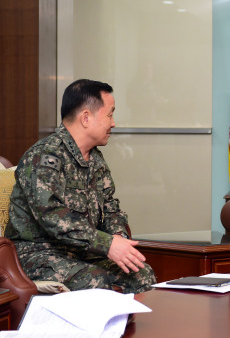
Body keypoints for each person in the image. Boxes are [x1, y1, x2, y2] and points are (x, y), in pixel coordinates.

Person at [6, 79, 156, 292]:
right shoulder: (44, 156)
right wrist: (107, 244)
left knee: (141, 274)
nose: (113, 123)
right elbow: (51, 216)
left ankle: (128, 326)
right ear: (86, 117)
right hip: (38, 255)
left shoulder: (95, 159)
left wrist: (119, 241)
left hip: (82, 252)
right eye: (110, 114)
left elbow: (112, 209)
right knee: (94, 279)